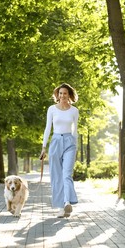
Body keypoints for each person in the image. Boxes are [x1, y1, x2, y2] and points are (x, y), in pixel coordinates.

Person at [40, 83, 79, 218]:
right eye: (60, 93)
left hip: (69, 142)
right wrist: (43, 147)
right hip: (55, 141)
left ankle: (67, 202)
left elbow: (75, 130)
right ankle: (60, 208)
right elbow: (47, 128)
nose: (62, 96)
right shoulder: (52, 109)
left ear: (69, 96)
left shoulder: (74, 110)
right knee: (56, 176)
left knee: (66, 174)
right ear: (57, 95)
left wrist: (75, 146)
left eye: (65, 93)